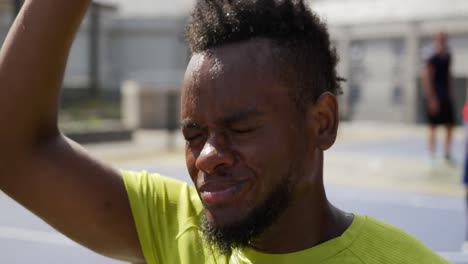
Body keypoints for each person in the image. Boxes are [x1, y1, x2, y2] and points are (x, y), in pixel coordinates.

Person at [0, 0, 449, 263]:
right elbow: (12, 149)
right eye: (193, 135)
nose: (208, 155)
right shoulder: (181, 232)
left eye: (242, 127)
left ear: (322, 123)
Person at [422, 32, 456, 166]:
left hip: (445, 97)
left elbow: (448, 76)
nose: (442, 42)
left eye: (444, 39)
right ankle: (431, 155)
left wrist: (450, 93)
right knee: (433, 127)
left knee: (450, 125)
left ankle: (447, 154)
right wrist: (431, 98)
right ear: (435, 41)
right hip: (435, 97)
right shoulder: (432, 57)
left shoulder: (447, 56)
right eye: (440, 39)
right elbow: (427, 77)